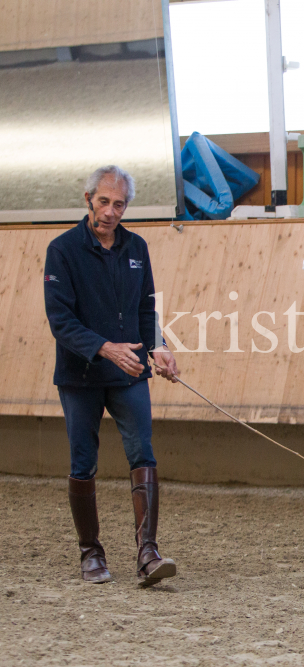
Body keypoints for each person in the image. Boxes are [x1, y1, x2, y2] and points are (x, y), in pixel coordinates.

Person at [43, 165, 181, 586]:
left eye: (118, 204)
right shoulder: (62, 249)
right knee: (82, 462)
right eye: (103, 201)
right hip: (80, 374)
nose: (110, 211)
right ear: (88, 199)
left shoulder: (137, 247)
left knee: (143, 454)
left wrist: (157, 345)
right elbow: (59, 319)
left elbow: (145, 309)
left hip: (131, 373)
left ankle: (148, 553)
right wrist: (106, 348)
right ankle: (91, 552)